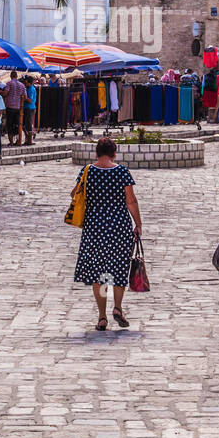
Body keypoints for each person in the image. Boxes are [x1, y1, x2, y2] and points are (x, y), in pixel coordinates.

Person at [72, 137, 143, 332]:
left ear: (96, 152)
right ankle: (118, 308)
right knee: (119, 268)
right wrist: (138, 224)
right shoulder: (121, 172)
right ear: (114, 153)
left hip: (94, 228)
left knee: (99, 273)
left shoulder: (87, 171)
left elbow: (74, 194)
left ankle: (102, 316)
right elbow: (131, 201)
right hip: (119, 227)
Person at [2, 72, 26, 145]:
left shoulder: (9, 83)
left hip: (10, 107)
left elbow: (5, 93)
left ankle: (11, 142)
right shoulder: (22, 85)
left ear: (11, 76)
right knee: (17, 124)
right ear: (16, 76)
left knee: (9, 125)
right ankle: (18, 141)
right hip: (18, 107)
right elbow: (24, 97)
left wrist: (1, 93)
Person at [22, 75, 37, 146]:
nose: (24, 83)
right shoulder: (27, 88)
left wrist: (24, 97)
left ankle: (30, 140)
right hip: (26, 108)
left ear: (29, 82)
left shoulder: (31, 89)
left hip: (30, 108)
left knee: (28, 125)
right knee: (24, 125)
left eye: (25, 82)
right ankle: (27, 139)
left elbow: (30, 100)